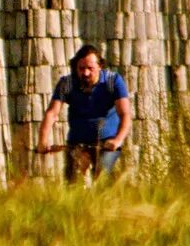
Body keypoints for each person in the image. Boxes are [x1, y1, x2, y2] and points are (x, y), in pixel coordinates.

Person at [35, 45, 132, 183]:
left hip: (107, 142)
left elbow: (125, 114)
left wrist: (117, 140)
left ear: (100, 67)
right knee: (73, 183)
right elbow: (52, 113)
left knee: (102, 178)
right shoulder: (67, 83)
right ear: (76, 68)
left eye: (90, 69)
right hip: (77, 143)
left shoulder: (112, 81)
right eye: (81, 68)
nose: (85, 73)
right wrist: (42, 142)